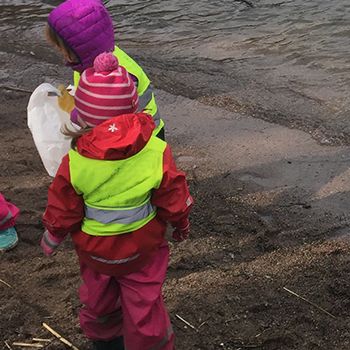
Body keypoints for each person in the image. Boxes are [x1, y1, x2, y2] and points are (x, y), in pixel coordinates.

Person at [40, 52, 193, 350]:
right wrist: (181, 224)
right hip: (142, 249)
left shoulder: (75, 161)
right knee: (144, 306)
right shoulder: (155, 151)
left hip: (95, 253)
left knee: (98, 297)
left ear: (82, 116)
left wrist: (53, 235)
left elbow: (63, 206)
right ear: (133, 108)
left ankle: (106, 340)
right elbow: (174, 195)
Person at [46, 0, 165, 139]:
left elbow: (105, 118)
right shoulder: (89, 60)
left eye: (61, 48)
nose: (61, 53)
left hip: (144, 136)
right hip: (124, 132)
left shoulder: (116, 75)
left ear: (80, 49)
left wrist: (73, 110)